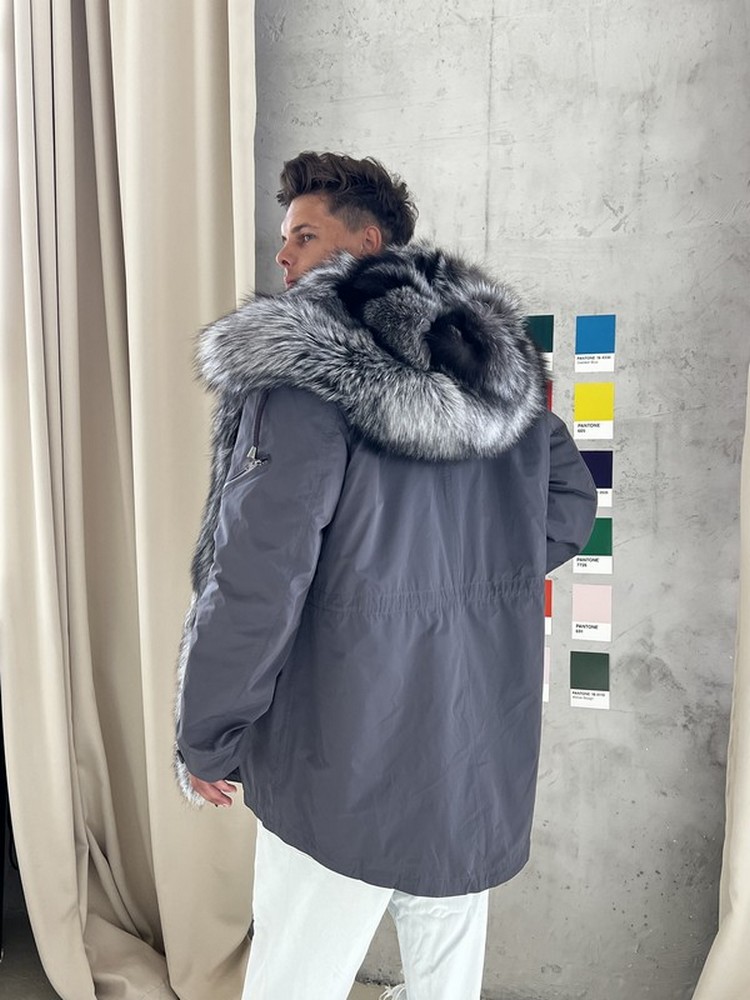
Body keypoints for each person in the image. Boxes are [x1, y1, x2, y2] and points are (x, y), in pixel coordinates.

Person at [175, 151, 597, 1000]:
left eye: (304, 235)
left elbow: (257, 576)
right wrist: (470, 582)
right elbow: (568, 506)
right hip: (471, 745)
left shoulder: (304, 379)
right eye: (283, 239)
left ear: (367, 243)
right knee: (446, 982)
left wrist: (208, 731)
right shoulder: (496, 372)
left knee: (294, 981)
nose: (283, 257)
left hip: (342, 746)